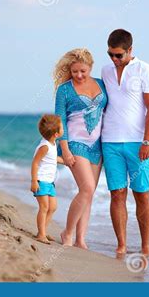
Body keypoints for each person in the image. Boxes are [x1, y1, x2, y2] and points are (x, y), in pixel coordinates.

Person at [101, 29, 149, 256]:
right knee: (117, 193)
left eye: (118, 55)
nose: (114, 60)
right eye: (110, 55)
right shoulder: (105, 71)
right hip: (110, 141)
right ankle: (122, 245)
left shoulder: (146, 70)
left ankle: (145, 246)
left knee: (141, 193)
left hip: (137, 143)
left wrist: (148, 141)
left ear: (130, 50)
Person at [54, 48, 108, 249]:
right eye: (75, 71)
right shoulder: (65, 89)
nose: (78, 75)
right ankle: (67, 233)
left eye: (83, 71)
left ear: (90, 67)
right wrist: (65, 149)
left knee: (89, 193)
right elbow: (60, 121)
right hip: (75, 144)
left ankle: (80, 239)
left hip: (97, 145)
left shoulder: (101, 84)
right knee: (87, 188)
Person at [30, 114, 64, 245]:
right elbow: (35, 163)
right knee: (44, 207)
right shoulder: (44, 146)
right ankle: (41, 235)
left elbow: (52, 159)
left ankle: (42, 231)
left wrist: (66, 161)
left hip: (50, 182)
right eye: (62, 127)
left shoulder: (52, 144)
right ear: (56, 133)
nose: (63, 129)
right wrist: (34, 181)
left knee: (53, 207)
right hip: (41, 181)